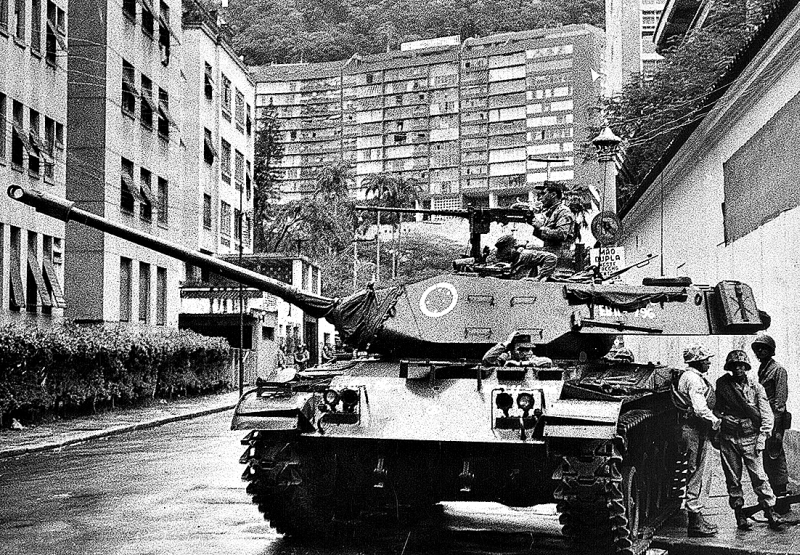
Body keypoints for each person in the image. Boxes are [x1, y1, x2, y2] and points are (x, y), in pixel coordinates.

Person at [715, 349, 784, 531]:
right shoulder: (723, 385)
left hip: (750, 437)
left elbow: (766, 414)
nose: (738, 368)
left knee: (759, 477)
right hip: (729, 438)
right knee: (733, 479)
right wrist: (722, 418)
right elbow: (716, 409)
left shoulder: (755, 387)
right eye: (734, 365)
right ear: (729, 368)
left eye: (741, 365)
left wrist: (762, 437)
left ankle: (770, 511)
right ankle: (739, 515)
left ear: (746, 367)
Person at [671, 344, 720, 537]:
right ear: (698, 361)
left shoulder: (689, 376)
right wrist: (715, 421)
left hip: (690, 429)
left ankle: (697, 517)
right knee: (699, 472)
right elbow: (699, 408)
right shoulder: (694, 380)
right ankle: (695, 521)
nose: (708, 361)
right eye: (706, 358)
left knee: (696, 471)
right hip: (696, 429)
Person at [752, 334, 792, 515]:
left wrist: (775, 428)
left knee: (775, 456)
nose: (759, 351)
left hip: (775, 421)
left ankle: (782, 497)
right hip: (766, 419)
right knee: (768, 458)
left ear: (771, 350)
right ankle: (776, 496)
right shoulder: (763, 368)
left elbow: (780, 401)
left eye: (763, 348)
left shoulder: (778, 370)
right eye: (757, 348)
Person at [530, 182, 575, 274]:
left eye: (543, 194)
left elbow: (562, 234)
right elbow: (546, 237)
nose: (540, 198)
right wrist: (534, 226)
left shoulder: (564, 212)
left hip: (560, 262)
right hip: (550, 258)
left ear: (553, 194)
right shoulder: (552, 212)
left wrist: (542, 227)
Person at [490, 234, 558, 280]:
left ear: (514, 248)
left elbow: (551, 257)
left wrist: (539, 278)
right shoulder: (514, 260)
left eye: (507, 254)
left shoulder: (526, 255)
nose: (506, 257)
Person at [482, 331, 550, 367]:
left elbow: (548, 361)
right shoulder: (505, 357)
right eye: (521, 349)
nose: (525, 352)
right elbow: (486, 359)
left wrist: (519, 364)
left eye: (527, 349)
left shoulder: (530, 358)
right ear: (511, 350)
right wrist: (506, 343)